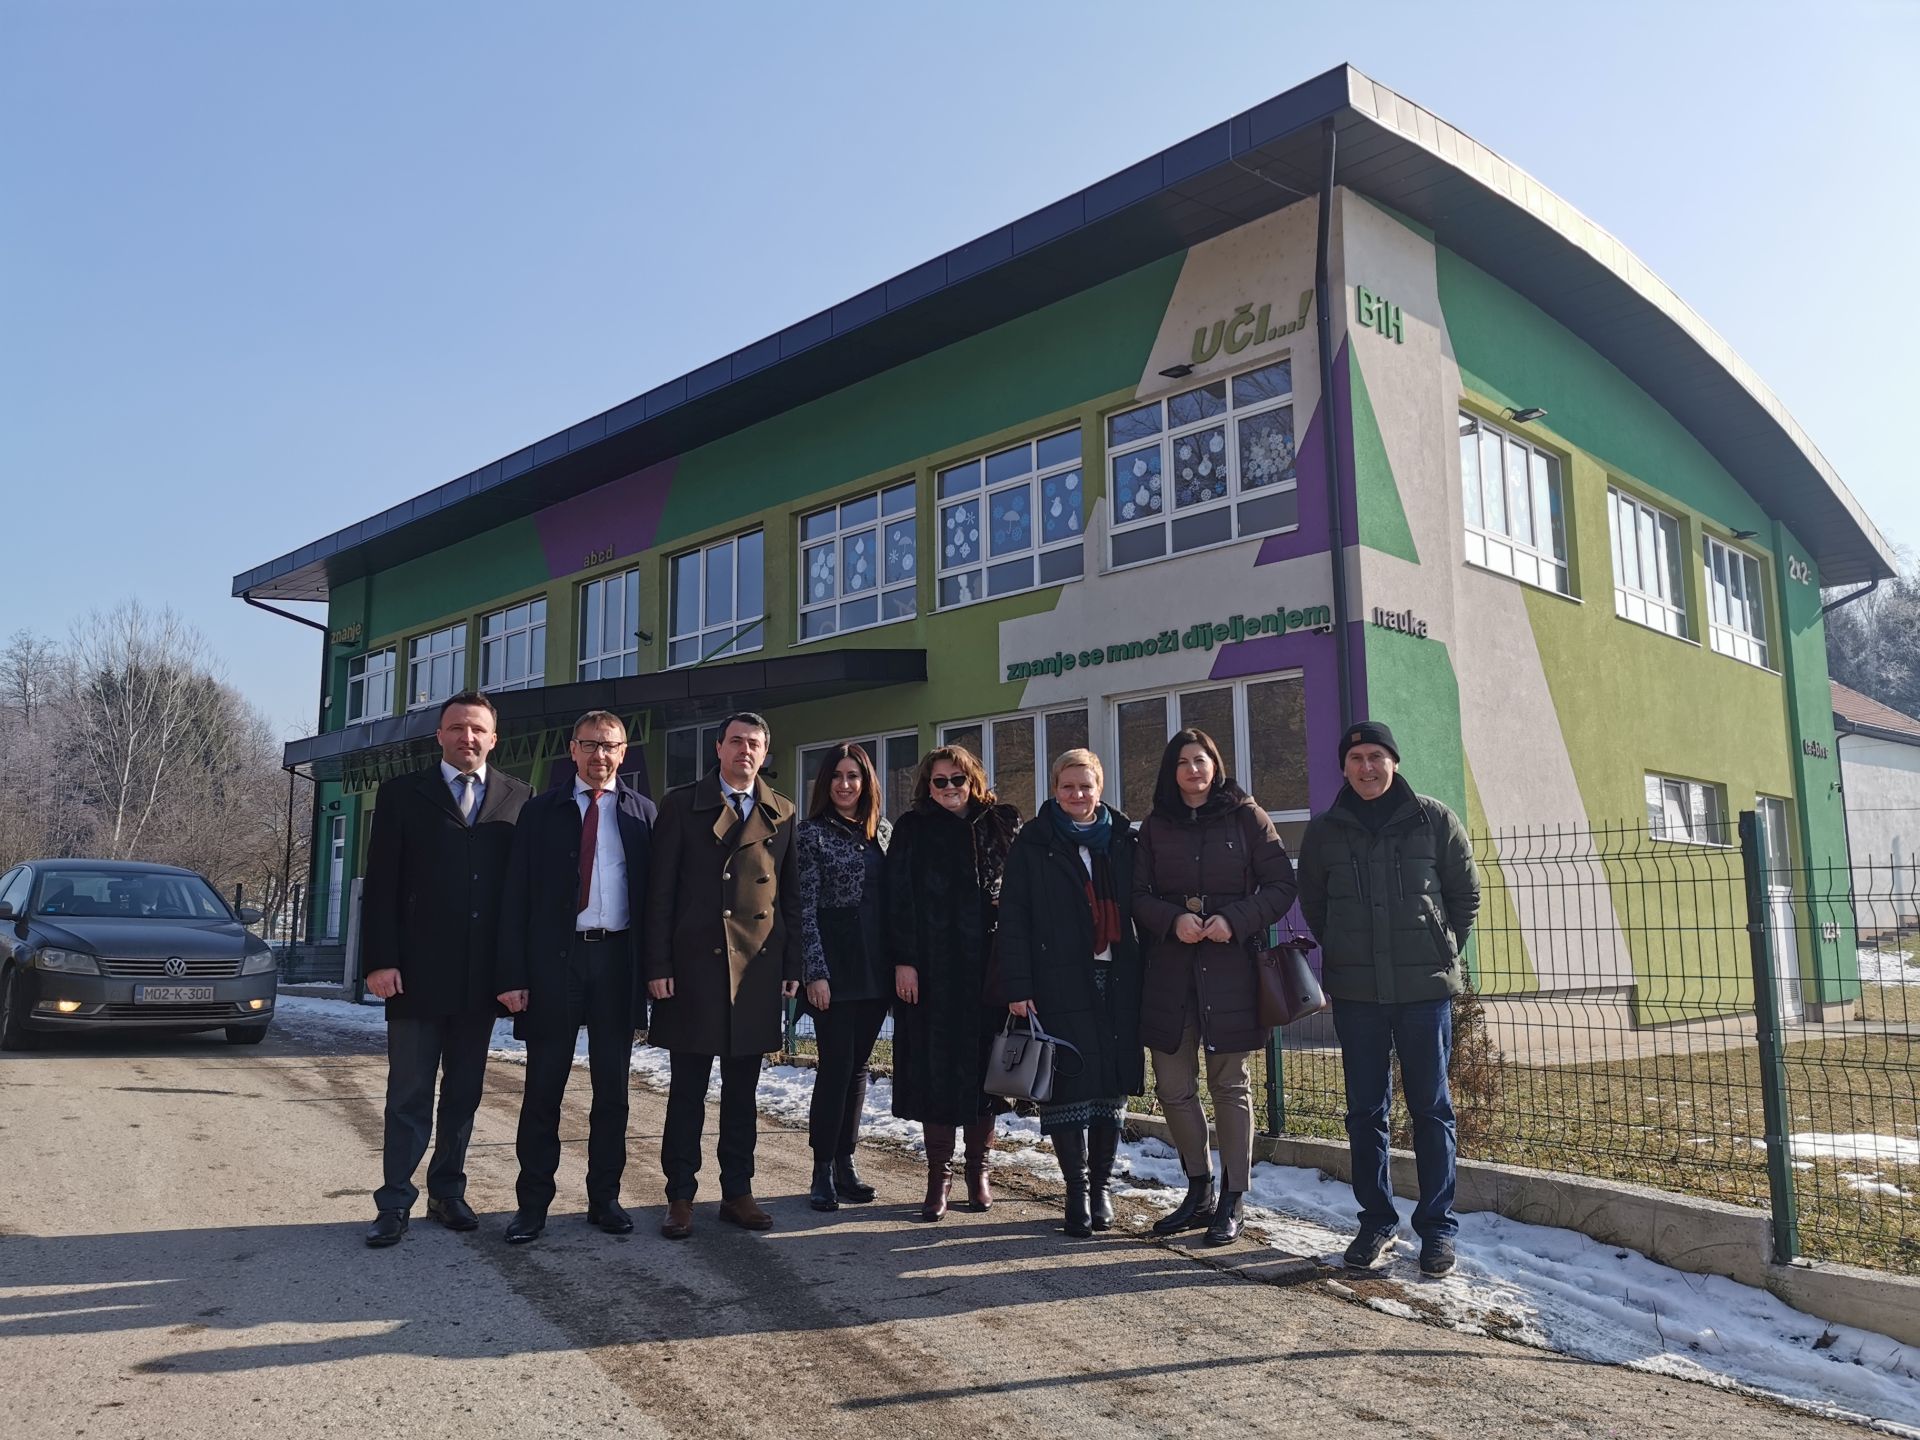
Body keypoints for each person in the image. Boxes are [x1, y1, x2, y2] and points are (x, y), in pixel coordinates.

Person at [1296, 720, 1480, 1279]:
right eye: (1356, 759)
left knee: (1432, 1109)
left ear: (1394, 762)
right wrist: (1346, 951)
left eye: (1377, 756)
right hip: (1358, 995)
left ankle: (1437, 1229)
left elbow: (1464, 894)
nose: (1367, 767)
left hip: (1425, 993)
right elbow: (1316, 904)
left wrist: (1440, 947)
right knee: (1365, 1112)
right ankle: (1376, 1221)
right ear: (1344, 767)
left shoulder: (1434, 819)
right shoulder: (1326, 831)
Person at [358, 691, 531, 1248]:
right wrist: (380, 960)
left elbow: (519, 897)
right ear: (440, 735)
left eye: (477, 729)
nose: (467, 737)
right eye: (457, 727)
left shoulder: (518, 797)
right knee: (408, 1094)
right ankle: (394, 1201)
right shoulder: (402, 794)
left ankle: (448, 1192)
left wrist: (514, 973)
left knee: (463, 1093)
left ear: (494, 738)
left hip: (481, 980)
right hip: (415, 974)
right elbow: (381, 884)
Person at [494, 710, 656, 1244]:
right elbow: (515, 896)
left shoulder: (643, 813)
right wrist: (512, 974)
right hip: (554, 964)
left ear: (623, 752)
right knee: (544, 1088)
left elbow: (656, 900)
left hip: (617, 963)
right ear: (572, 749)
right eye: (589, 744)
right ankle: (532, 1205)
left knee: (613, 1092)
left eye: (609, 746)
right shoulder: (540, 812)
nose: (599, 755)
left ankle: (604, 1199)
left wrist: (655, 970)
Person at [1131, 728, 1297, 1247]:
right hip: (1170, 972)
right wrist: (1171, 919)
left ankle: (1234, 1197)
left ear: (1215, 764)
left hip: (1231, 971)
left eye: (1201, 760)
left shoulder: (1247, 816)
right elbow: (1136, 893)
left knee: (1230, 1086)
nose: (1193, 770)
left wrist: (1234, 920)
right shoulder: (1155, 825)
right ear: (1171, 771)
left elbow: (1281, 885)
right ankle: (1199, 1189)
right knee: (1173, 1087)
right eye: (1183, 762)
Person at [644, 712, 802, 1238]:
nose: (745, 751)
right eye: (736, 741)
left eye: (754, 743)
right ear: (718, 748)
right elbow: (660, 893)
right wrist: (658, 965)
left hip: (754, 972)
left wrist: (793, 965)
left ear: (765, 751)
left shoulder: (782, 811)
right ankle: (680, 1195)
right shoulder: (681, 805)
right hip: (693, 970)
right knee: (686, 1093)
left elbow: (791, 898)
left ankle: (738, 1192)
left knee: (742, 1095)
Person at [998, 748, 1144, 1238]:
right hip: (1056, 980)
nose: (1077, 794)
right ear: (1054, 790)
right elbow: (1013, 917)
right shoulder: (1034, 843)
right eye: (1068, 786)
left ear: (1099, 788)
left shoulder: (1124, 840)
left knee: (1109, 1085)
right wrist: (1018, 985)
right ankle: (1076, 1190)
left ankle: (1102, 1187)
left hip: (1117, 978)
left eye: (1086, 786)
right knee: (1067, 1085)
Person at [887, 744, 1021, 1221]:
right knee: (935, 1070)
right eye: (939, 781)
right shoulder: (912, 828)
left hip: (988, 969)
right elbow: (898, 898)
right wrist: (904, 961)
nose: (949, 788)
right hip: (931, 970)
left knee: (986, 1072)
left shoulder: (1001, 823)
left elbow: (1020, 892)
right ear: (928, 785)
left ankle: (978, 1171)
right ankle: (938, 1177)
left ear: (973, 780)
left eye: (957, 780)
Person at [794, 743, 893, 1213]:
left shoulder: (883, 832)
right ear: (825, 783)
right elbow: (804, 909)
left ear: (866, 782)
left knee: (858, 1069)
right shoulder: (810, 834)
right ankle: (821, 1168)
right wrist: (815, 972)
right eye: (837, 776)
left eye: (853, 776)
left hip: (877, 965)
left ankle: (845, 1163)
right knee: (835, 1066)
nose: (845, 784)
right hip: (835, 967)